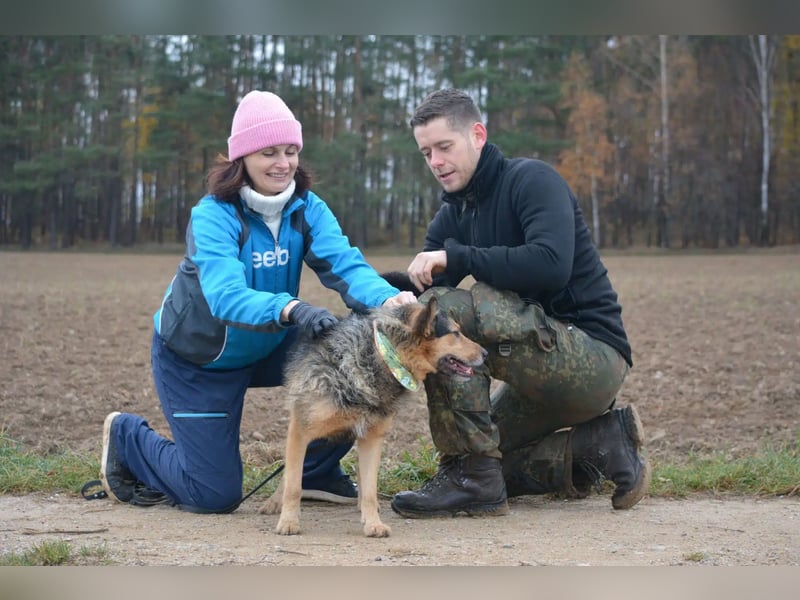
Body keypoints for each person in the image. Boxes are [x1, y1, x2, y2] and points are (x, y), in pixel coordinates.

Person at [98, 90, 416, 513]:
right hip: (200, 361)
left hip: (268, 345)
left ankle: (315, 472)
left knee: (358, 365)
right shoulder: (213, 215)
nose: (283, 163)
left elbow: (347, 267)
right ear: (241, 158)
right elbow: (225, 298)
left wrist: (390, 299)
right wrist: (290, 308)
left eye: (290, 151)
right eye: (269, 152)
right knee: (213, 496)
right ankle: (128, 438)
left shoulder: (308, 209)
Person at [389, 88, 651, 519]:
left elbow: (551, 265)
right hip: (538, 372)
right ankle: (599, 447)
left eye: (443, 147)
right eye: (425, 152)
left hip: (593, 359)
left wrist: (458, 257)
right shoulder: (452, 215)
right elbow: (422, 294)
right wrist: (370, 293)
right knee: (474, 459)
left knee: (445, 313)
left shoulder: (532, 180)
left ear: (477, 134)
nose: (435, 161)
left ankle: (475, 480)